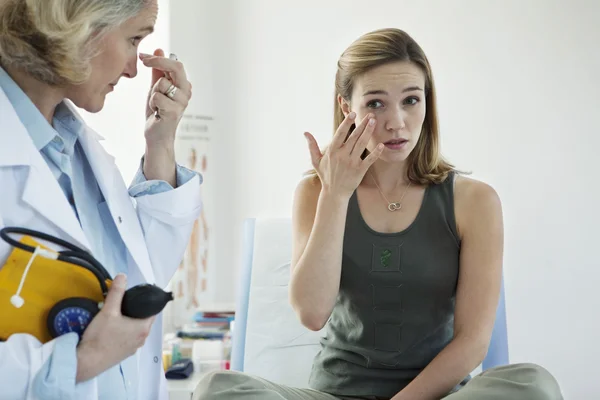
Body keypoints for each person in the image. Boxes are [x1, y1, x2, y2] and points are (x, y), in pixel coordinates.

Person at [192, 28, 563, 400]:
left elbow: (473, 342)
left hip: (436, 397)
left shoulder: (475, 202)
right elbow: (311, 313)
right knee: (217, 388)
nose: (397, 122)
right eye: (375, 104)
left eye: (411, 100)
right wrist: (336, 196)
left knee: (533, 385)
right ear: (345, 107)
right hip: (335, 394)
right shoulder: (315, 193)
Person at [0, 0, 202, 399]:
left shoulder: (74, 148)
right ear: (77, 24)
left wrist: (160, 142)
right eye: (133, 40)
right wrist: (79, 362)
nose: (132, 69)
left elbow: (138, 279)